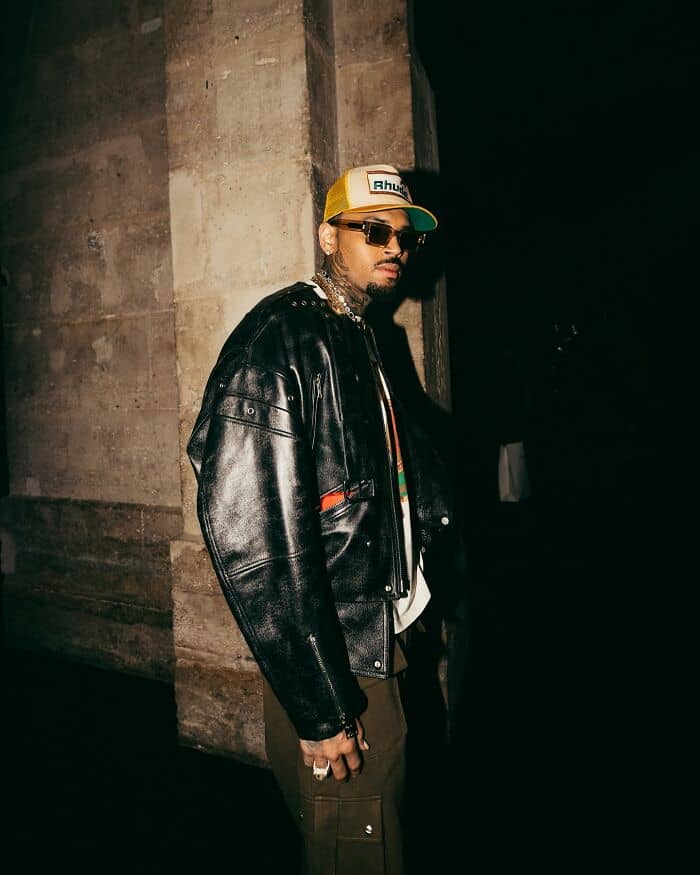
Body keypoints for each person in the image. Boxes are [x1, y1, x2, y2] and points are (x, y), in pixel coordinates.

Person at [187, 164, 453, 874]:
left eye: (404, 236)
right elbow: (250, 533)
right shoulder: (279, 339)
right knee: (357, 849)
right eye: (374, 231)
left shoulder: (359, 333)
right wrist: (321, 705)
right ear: (328, 236)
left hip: (377, 636)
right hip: (337, 655)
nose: (395, 247)